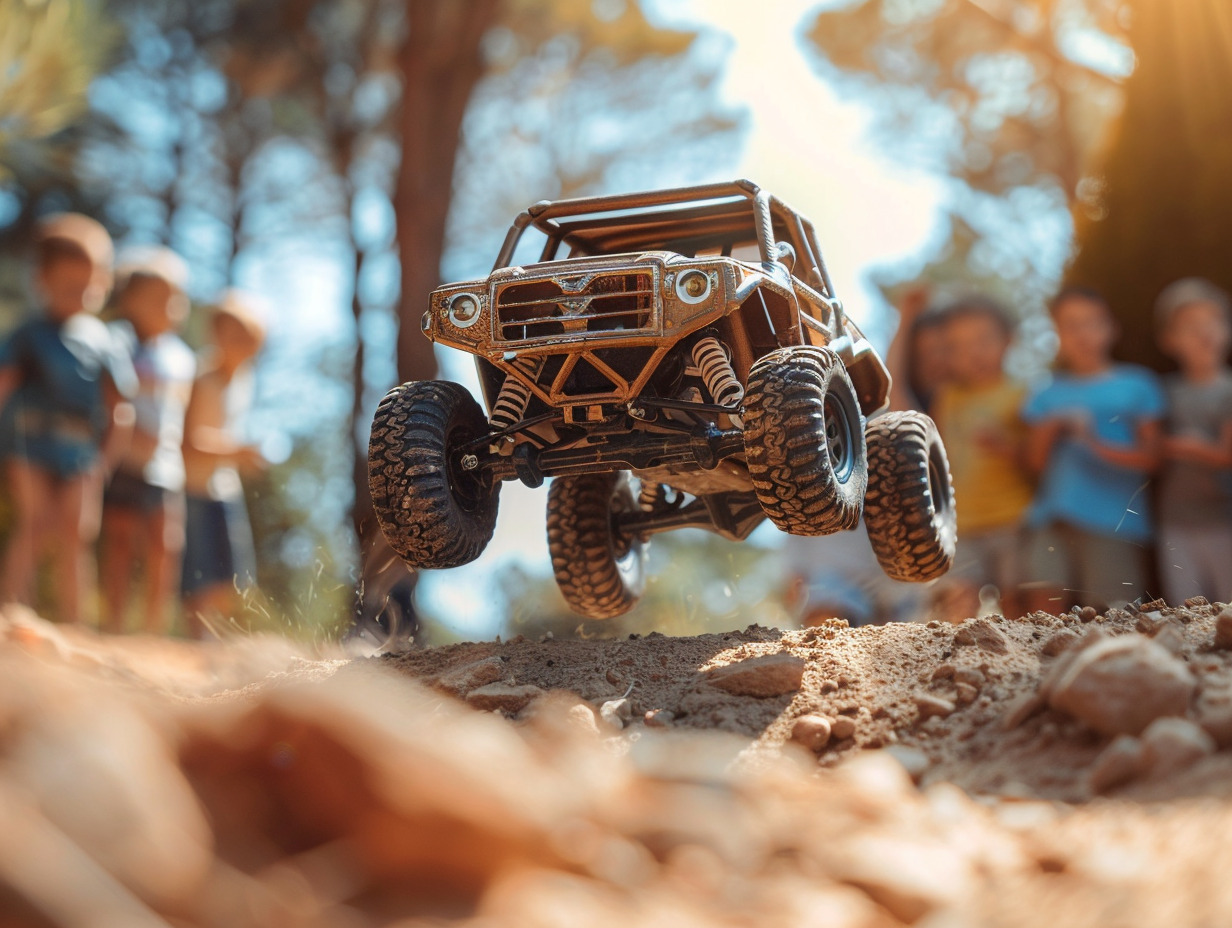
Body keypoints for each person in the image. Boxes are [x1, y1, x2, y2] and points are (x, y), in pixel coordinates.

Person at [0, 214, 137, 624]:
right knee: (35, 522)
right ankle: (11, 616)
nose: (78, 295)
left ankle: (73, 624)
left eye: (87, 287)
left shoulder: (105, 342)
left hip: (81, 453)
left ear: (103, 284)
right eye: (66, 286)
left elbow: (120, 408)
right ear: (40, 280)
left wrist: (105, 461)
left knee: (77, 532)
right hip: (29, 444)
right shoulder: (27, 334)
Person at [1019, 287, 1165, 613]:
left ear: (1111, 328)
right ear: (1057, 333)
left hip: (1114, 525)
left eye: (1091, 323)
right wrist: (1050, 427)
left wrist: (1093, 441)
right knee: (1041, 615)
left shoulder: (1137, 384)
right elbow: (1034, 465)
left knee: (1114, 613)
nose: (1082, 333)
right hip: (1051, 520)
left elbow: (1152, 459)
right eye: (1071, 325)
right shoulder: (1046, 393)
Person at [99, 248, 196, 635]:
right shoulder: (115, 343)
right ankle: (114, 623)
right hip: (124, 460)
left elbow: (183, 413)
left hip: (165, 466)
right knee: (120, 541)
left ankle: (153, 630)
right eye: (157, 296)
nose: (168, 306)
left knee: (165, 544)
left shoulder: (182, 358)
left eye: (174, 297)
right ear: (129, 299)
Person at [929, 296, 1034, 621]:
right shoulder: (947, 397)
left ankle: (1019, 667)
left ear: (1008, 341)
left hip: (1013, 519)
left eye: (983, 340)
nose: (973, 352)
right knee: (958, 600)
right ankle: (959, 665)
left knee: (1016, 601)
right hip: (963, 524)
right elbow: (937, 449)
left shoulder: (1021, 395)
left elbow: (1036, 459)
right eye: (958, 346)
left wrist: (1005, 447)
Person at [180, 290, 267, 637]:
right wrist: (236, 452)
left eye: (249, 338)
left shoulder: (245, 380)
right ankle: (196, 644)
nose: (242, 345)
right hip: (194, 486)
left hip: (224, 487)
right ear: (214, 335)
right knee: (200, 574)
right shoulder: (200, 377)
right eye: (233, 335)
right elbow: (189, 440)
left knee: (233, 575)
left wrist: (238, 456)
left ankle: (213, 642)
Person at [1152, 278, 1232, 604]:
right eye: (1191, 325)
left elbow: (1225, 455)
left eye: (1213, 321)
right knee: (1185, 612)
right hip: (1175, 522)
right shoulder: (1161, 392)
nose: (1205, 331)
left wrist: (1180, 445)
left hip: (1225, 520)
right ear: (1169, 340)